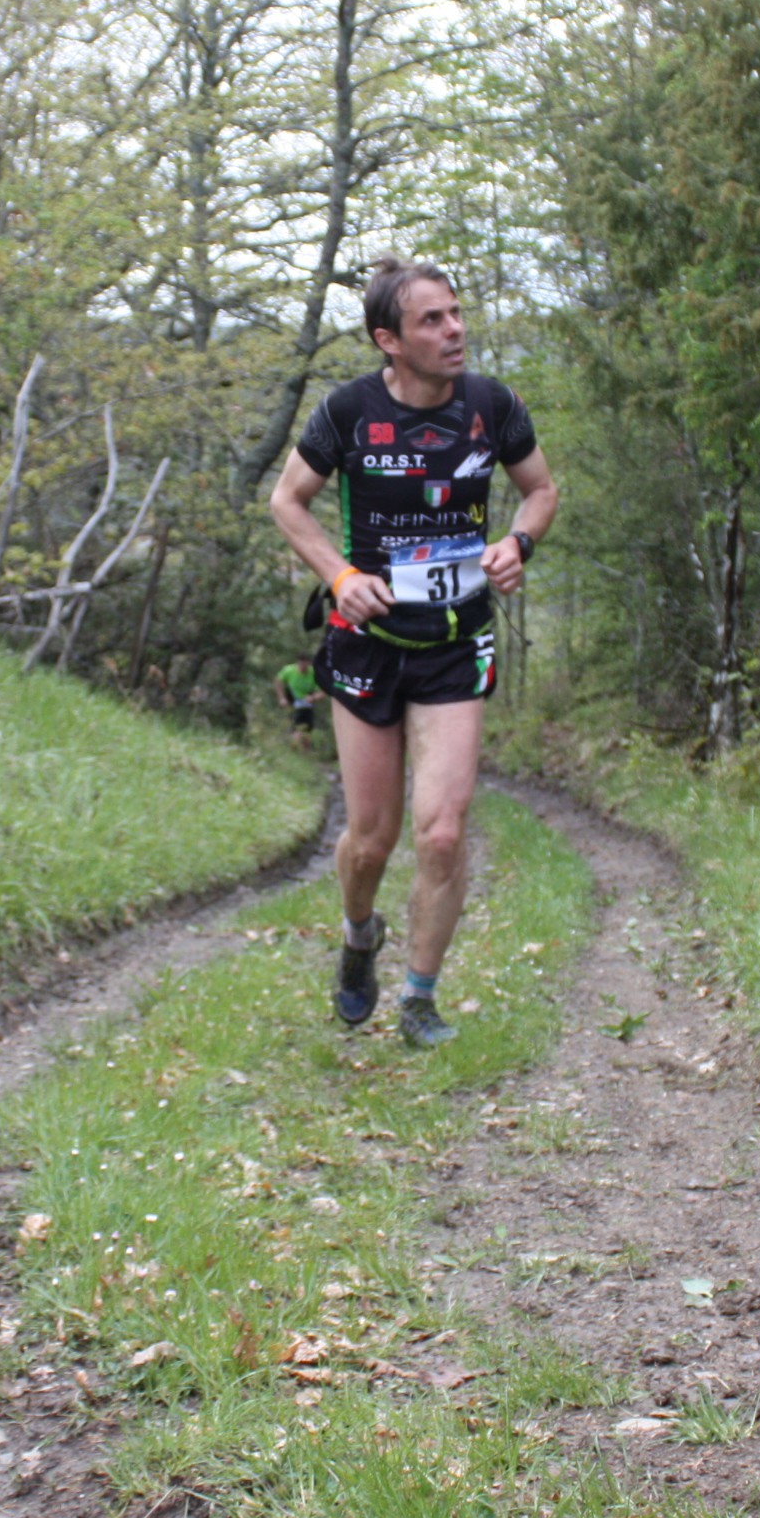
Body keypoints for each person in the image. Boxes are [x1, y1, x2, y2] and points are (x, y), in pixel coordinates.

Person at [268, 257, 557, 1045]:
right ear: (387, 340)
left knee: (441, 831)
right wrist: (340, 574)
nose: (454, 329)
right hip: (367, 642)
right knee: (372, 838)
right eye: (432, 320)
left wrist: (518, 543)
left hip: (455, 642)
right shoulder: (348, 414)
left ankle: (419, 998)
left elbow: (541, 489)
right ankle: (360, 936)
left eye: (456, 314)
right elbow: (287, 502)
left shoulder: (492, 406)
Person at [274, 652, 323, 754]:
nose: (302, 667)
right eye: (300, 664)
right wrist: (281, 698)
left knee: (306, 727)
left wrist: (313, 697)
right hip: (292, 698)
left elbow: (323, 692)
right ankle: (293, 748)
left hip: (306, 701)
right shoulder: (289, 670)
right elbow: (278, 681)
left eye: (305, 665)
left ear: (309, 664)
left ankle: (304, 751)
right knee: (296, 725)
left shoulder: (314, 673)